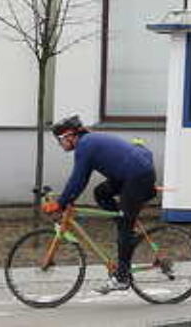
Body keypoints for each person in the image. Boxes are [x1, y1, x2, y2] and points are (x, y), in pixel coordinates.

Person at [46, 115, 157, 293]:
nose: (60, 145)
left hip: (137, 178)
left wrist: (61, 203)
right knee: (101, 193)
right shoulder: (88, 142)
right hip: (131, 174)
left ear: (70, 135)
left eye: (59, 141)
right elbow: (80, 182)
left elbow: (78, 179)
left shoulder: (85, 146)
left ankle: (122, 277)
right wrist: (65, 200)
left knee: (125, 229)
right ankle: (123, 222)